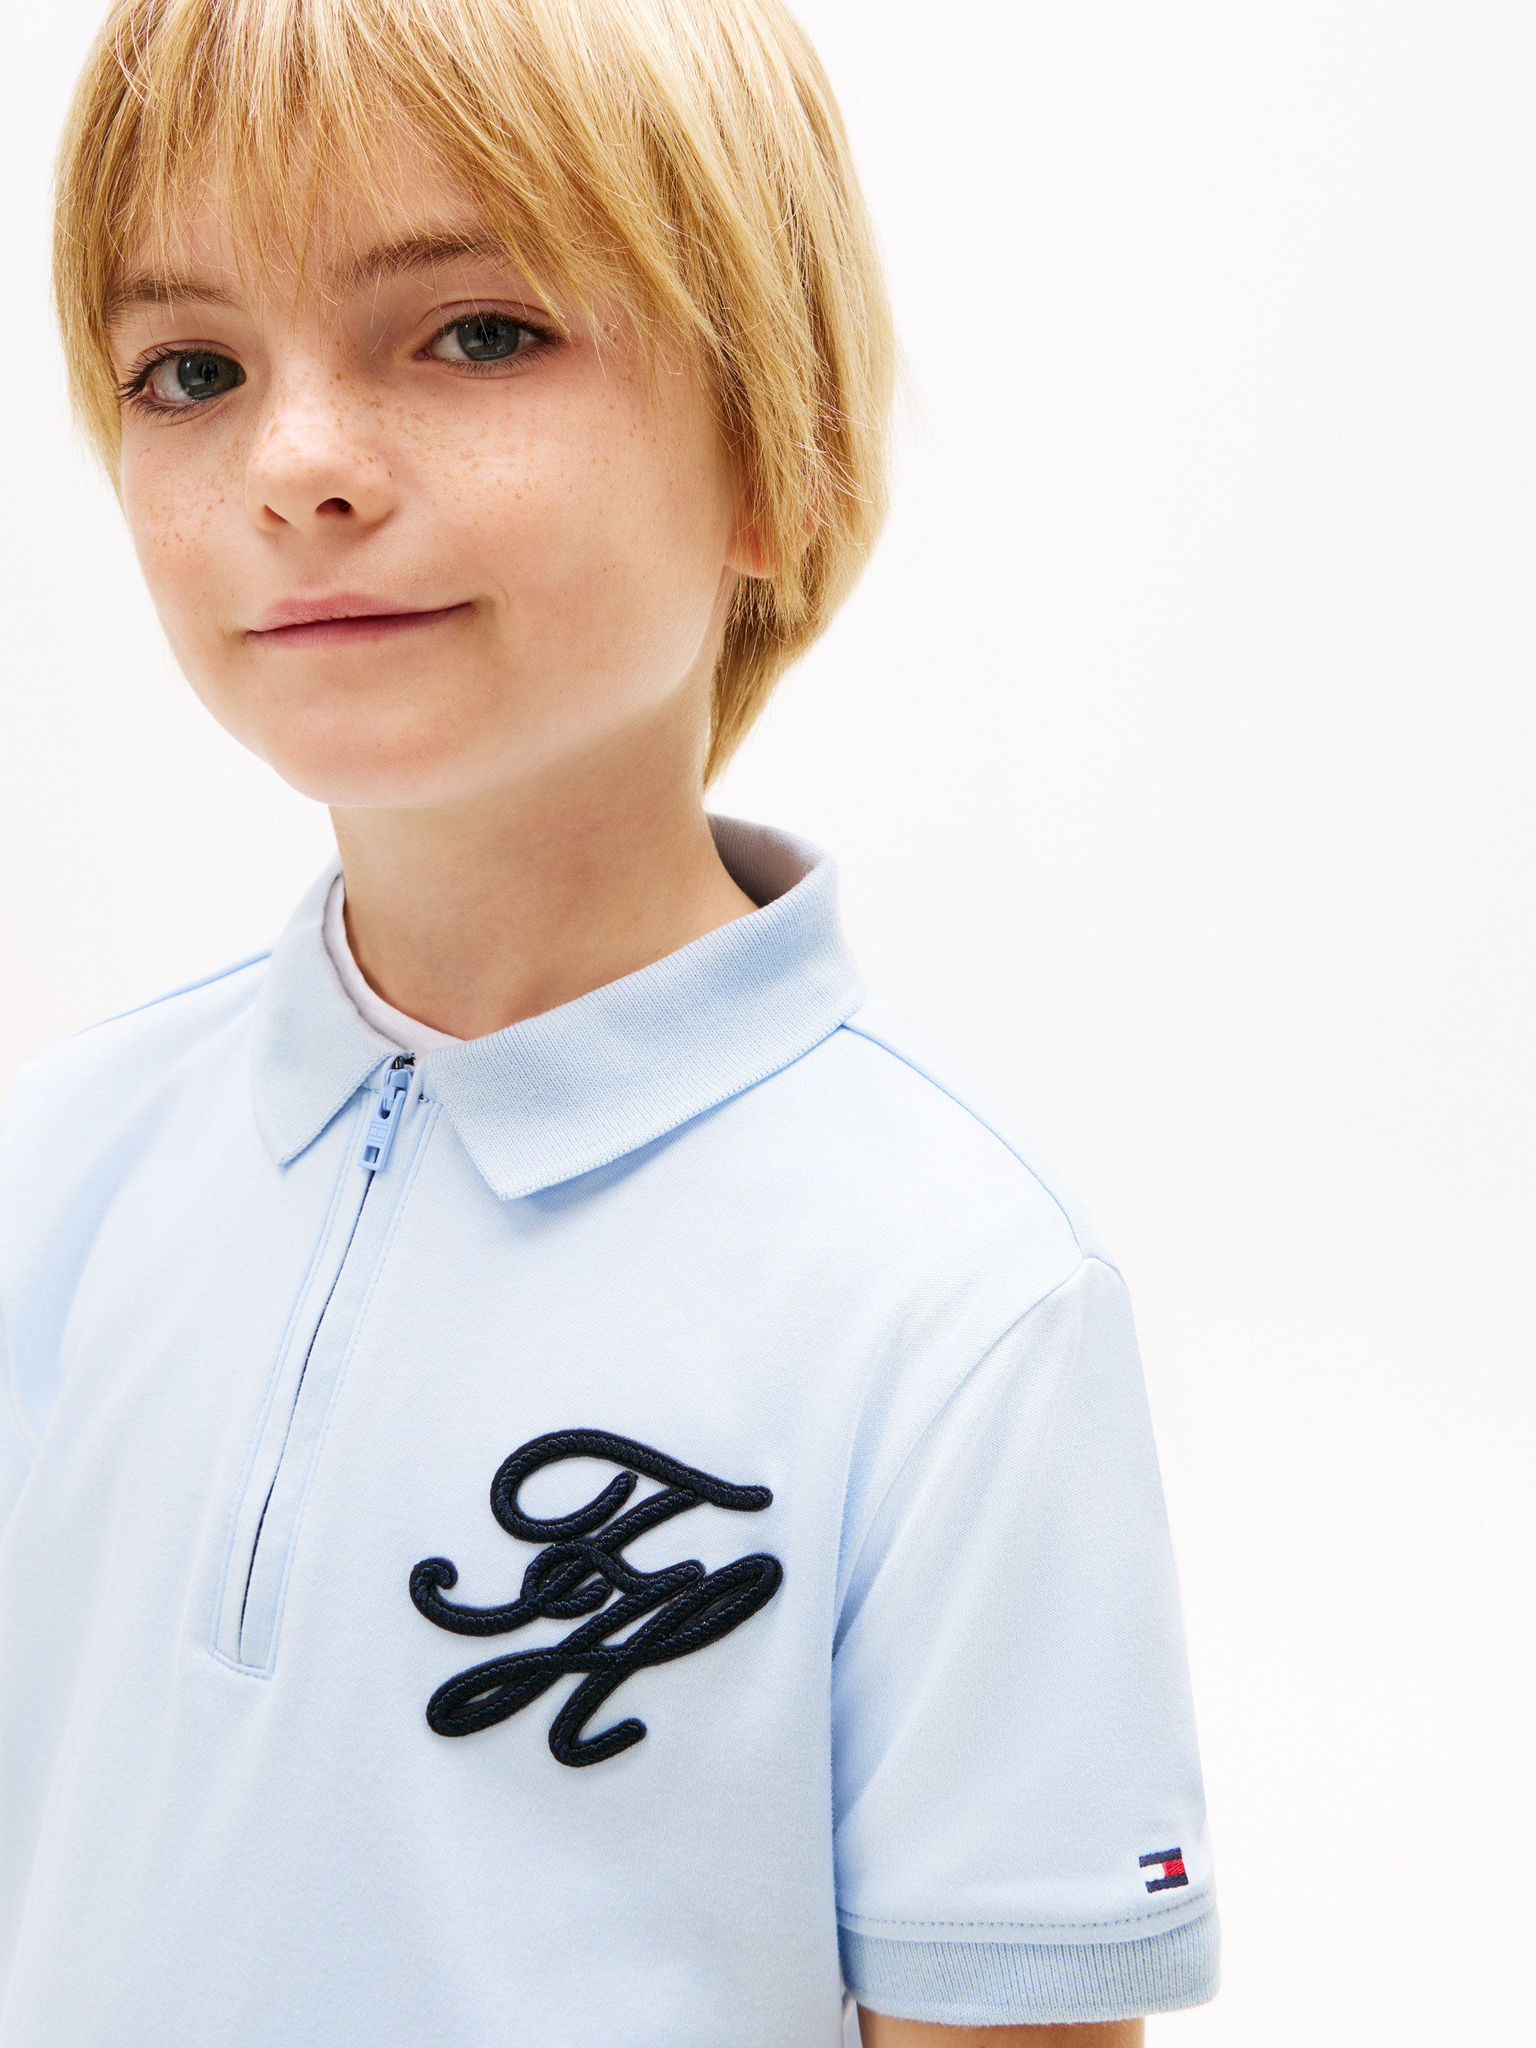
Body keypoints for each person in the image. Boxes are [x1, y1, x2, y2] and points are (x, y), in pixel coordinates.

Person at [0, 2, 1219, 2043]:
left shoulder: (951, 1293)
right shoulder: (57, 1163)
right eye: (192, 370)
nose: (295, 464)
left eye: (475, 333)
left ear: (778, 456)